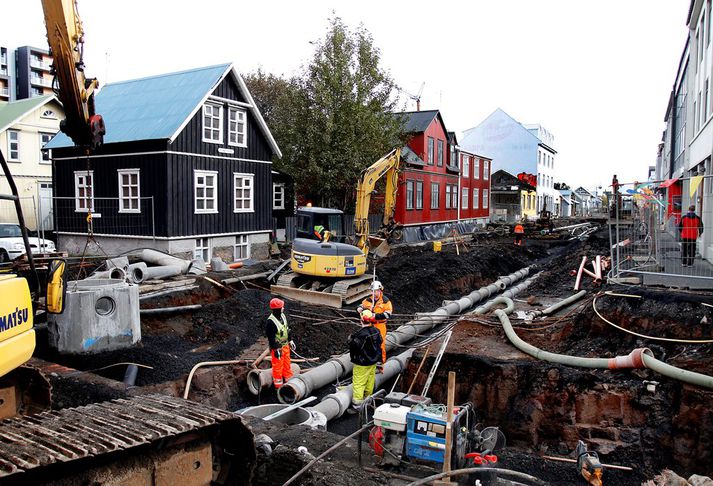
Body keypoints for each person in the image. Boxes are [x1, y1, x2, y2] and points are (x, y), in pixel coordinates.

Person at [348, 309, 383, 408]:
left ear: (361, 320)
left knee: (359, 383)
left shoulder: (361, 334)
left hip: (362, 363)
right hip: (373, 361)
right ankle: (367, 400)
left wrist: (351, 340)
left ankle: (357, 405)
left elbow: (356, 347)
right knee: (369, 380)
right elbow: (380, 343)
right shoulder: (376, 330)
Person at [357, 280, 392, 366]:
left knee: (380, 344)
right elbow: (361, 306)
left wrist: (375, 316)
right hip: (369, 324)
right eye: (372, 291)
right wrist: (359, 309)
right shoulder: (368, 300)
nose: (374, 293)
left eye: (375, 291)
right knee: (369, 342)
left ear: (380, 290)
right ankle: (370, 360)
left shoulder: (385, 301)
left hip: (379, 325)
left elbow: (387, 314)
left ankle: (380, 363)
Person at [265, 298, 295, 389]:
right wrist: (275, 349)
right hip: (277, 348)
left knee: (287, 364)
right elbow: (271, 338)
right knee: (278, 367)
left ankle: (289, 382)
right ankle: (279, 387)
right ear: (277, 309)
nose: (283, 308)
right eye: (282, 307)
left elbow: (287, 329)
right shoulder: (271, 322)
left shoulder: (283, 316)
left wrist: (290, 340)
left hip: (285, 346)